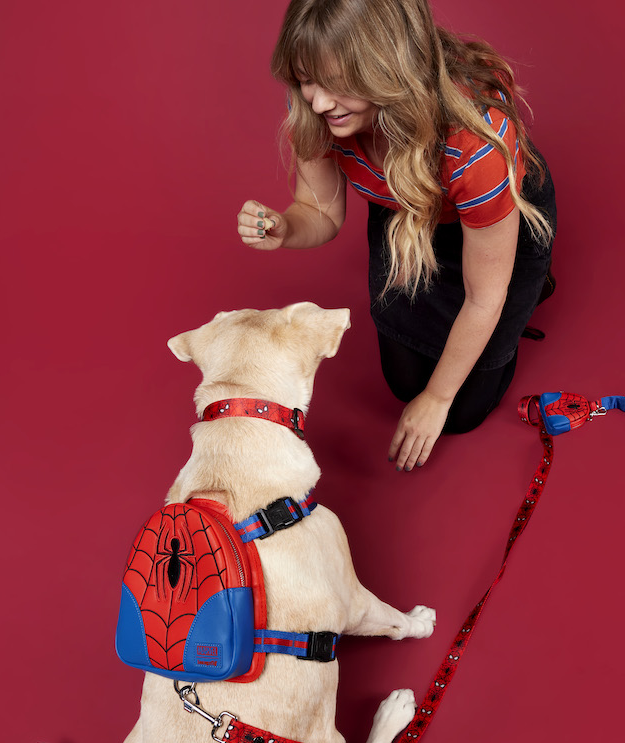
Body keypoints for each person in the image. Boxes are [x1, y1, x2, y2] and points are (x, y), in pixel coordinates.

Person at [237, 0, 556, 473]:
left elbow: (483, 298)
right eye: (306, 80)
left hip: (496, 215)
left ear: (387, 69)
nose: (319, 102)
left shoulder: (474, 147)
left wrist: (438, 398)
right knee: (404, 380)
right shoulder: (322, 109)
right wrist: (285, 228)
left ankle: (531, 285)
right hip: (409, 210)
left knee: (463, 410)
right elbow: (318, 212)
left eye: (336, 84)